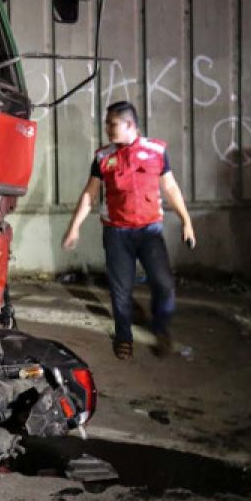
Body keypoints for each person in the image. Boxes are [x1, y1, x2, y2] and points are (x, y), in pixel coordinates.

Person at [61, 101, 196, 359]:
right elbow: (90, 193)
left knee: (164, 283)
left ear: (130, 125)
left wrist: (186, 220)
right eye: (106, 124)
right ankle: (124, 336)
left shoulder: (156, 151)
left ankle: (161, 328)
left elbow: (170, 188)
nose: (107, 129)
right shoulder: (103, 157)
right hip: (117, 233)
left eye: (112, 124)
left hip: (149, 232)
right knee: (120, 288)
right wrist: (74, 227)